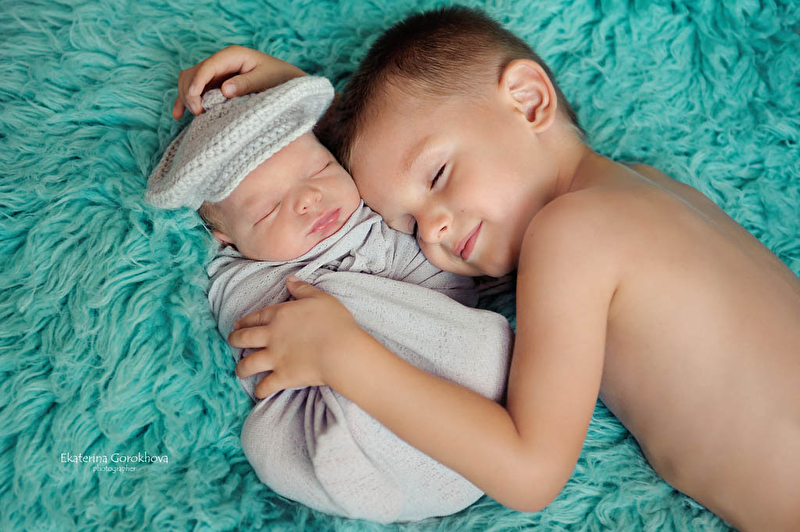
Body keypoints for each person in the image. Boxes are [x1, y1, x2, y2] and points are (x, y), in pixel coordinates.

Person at [183, 8, 800, 532]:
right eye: (408, 226)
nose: (433, 231)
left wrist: (343, 356)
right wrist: (296, 115)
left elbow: (529, 473)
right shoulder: (649, 191)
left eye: (438, 176)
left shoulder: (573, 232)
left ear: (528, 100)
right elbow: (409, 145)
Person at [150, 74, 514, 523]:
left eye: (319, 170)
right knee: (267, 436)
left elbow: (447, 289)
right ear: (228, 241)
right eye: (268, 209)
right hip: (334, 412)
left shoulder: (380, 213)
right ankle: (362, 456)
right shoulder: (241, 278)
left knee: (471, 341)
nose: (309, 198)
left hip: (455, 394)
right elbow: (257, 346)